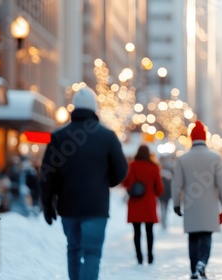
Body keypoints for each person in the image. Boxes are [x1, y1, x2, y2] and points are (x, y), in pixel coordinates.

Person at [41, 86, 128, 280]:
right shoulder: (108, 137)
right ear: (94, 108)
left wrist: (47, 202)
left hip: (68, 207)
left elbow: (47, 173)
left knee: (73, 249)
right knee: (92, 253)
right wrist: (107, 182)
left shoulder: (58, 136)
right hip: (96, 207)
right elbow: (122, 170)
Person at [171, 120, 222, 280]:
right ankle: (202, 263)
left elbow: (177, 184)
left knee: (193, 237)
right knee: (206, 236)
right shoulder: (216, 158)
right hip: (209, 206)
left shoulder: (182, 159)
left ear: (191, 138)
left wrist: (176, 203)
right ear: (205, 138)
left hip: (191, 205)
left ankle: (193, 269)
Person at [122, 145, 164, 265]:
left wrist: (132, 188)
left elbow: (125, 182)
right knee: (149, 231)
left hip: (135, 203)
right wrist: (152, 193)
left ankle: (139, 256)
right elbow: (160, 189)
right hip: (149, 203)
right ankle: (150, 255)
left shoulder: (132, 166)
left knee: (136, 232)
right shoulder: (154, 167)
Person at [159, 155, 174, 229]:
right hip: (166, 193)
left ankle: (163, 219)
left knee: (162, 207)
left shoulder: (160, 169)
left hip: (162, 193)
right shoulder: (169, 169)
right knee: (164, 207)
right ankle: (164, 219)